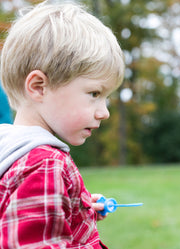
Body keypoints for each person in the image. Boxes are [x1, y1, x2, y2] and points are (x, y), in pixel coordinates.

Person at [0, 2, 124, 248]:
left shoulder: (13, 152)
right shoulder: (44, 164)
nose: (105, 112)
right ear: (39, 87)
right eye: (94, 93)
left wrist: (78, 206)